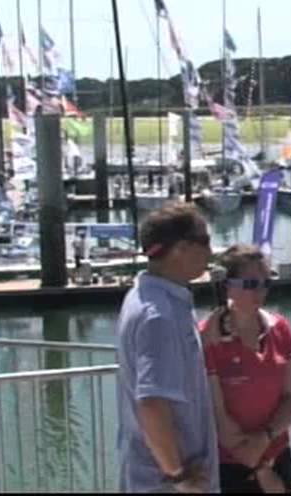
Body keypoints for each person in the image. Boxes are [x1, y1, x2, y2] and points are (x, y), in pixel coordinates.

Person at [115, 202, 219, 493]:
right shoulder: (159, 316)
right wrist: (178, 476)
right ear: (181, 248)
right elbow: (152, 403)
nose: (211, 252)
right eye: (205, 241)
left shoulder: (145, 297)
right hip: (165, 483)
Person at [199, 244, 291, 493]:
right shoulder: (208, 337)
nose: (260, 292)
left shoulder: (280, 328)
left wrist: (266, 437)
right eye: (250, 284)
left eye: (265, 283)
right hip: (229, 463)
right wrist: (259, 467)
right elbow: (217, 412)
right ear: (227, 286)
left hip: (277, 453)